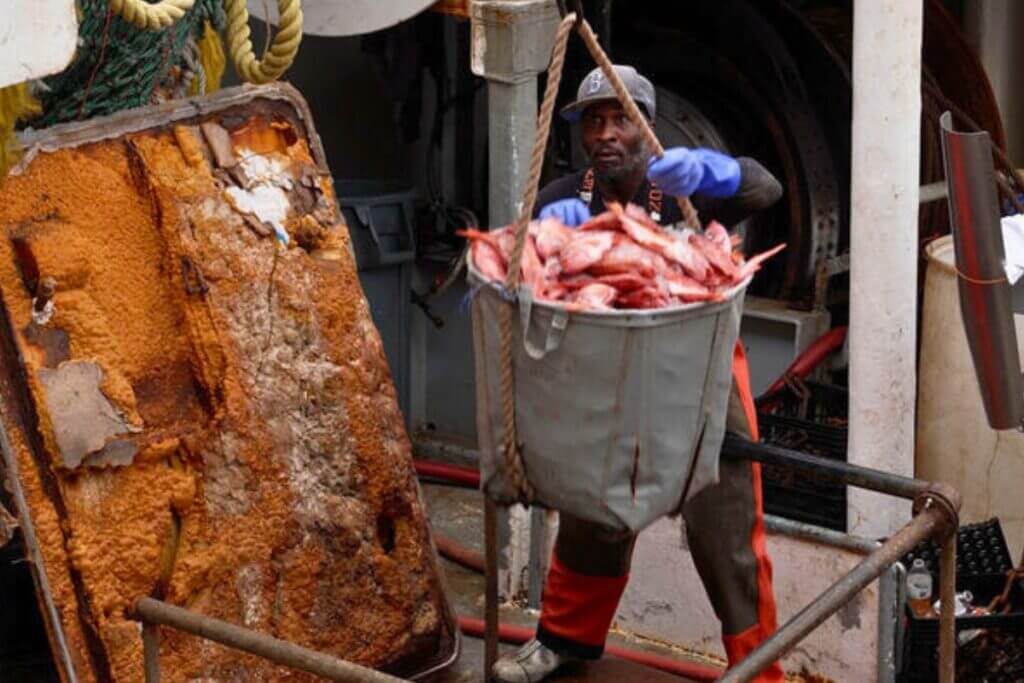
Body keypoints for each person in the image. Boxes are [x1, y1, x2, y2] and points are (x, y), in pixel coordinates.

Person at [491, 65, 786, 683]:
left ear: (646, 125)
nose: (606, 133)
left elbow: (766, 190)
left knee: (727, 531)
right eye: (593, 121)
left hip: (702, 380)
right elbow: (528, 279)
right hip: (606, 383)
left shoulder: (683, 188)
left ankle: (759, 672)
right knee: (592, 513)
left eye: (620, 118)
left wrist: (718, 172)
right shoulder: (561, 201)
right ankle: (563, 642)